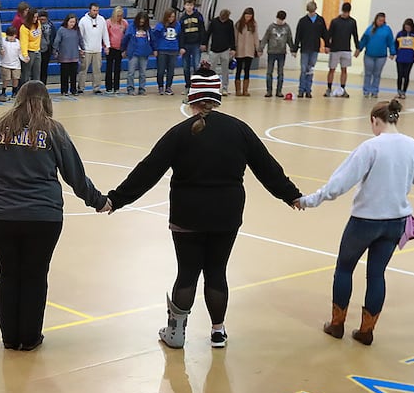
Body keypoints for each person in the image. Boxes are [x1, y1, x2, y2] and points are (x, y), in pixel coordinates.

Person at [106, 65, 300, 349]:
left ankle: (176, 334)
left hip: (188, 215)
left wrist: (116, 199)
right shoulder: (239, 130)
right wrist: (290, 195)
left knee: (187, 273)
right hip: (227, 215)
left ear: (192, 100)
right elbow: (267, 168)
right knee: (217, 272)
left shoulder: (179, 133)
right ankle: (218, 331)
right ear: (218, 97)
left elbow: (148, 170)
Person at [0, 81, 109, 350]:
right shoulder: (54, 132)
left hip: (2, 215)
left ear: (18, 99)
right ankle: (30, 336)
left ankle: (10, 338)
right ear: (46, 102)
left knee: (9, 274)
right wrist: (98, 201)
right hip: (44, 217)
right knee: (35, 275)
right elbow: (75, 175)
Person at [295, 98, 414, 344]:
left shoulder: (371, 147)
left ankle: (337, 325)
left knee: (344, 268)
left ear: (374, 120)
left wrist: (310, 200)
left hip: (365, 221)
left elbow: (340, 183)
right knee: (377, 274)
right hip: (396, 222)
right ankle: (366, 330)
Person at [325, 2, 359, 99]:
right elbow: (329, 34)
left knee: (344, 69)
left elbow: (355, 35)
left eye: (347, 12)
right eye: (344, 12)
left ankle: (342, 88)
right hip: (335, 49)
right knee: (332, 69)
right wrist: (327, 45)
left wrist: (357, 47)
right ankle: (329, 88)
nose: (345, 14)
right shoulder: (335, 21)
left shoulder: (352, 22)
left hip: (346, 49)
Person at [294, 1, 327, 99]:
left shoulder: (320, 20)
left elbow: (324, 33)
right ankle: (301, 90)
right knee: (303, 69)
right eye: (310, 11)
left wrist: (327, 45)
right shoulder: (303, 21)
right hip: (305, 49)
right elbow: (298, 35)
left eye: (313, 11)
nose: (311, 13)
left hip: (314, 48)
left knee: (310, 70)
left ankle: (308, 90)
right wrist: (295, 49)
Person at [358, 11, 394, 99]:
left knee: (377, 74)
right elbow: (364, 40)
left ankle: (374, 91)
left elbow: (391, 41)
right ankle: (366, 90)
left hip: (381, 56)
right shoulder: (370, 29)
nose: (381, 22)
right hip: (369, 55)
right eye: (379, 20)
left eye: (383, 21)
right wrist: (359, 49)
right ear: (376, 20)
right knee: (368, 73)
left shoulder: (387, 29)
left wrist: (392, 52)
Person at [261, 10, 295, 99]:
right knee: (269, 72)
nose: (281, 21)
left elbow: (290, 39)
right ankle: (269, 91)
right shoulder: (271, 27)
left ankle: (279, 91)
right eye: (279, 19)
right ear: (277, 18)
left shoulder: (287, 27)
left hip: (282, 53)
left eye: (282, 20)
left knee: (280, 73)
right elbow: (265, 38)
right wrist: (261, 48)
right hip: (271, 52)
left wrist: (293, 49)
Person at [77, 2, 109, 96]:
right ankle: (81, 88)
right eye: (94, 10)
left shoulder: (102, 19)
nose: (96, 12)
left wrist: (107, 45)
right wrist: (80, 48)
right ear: (90, 10)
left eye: (97, 10)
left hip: (97, 50)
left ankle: (97, 88)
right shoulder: (83, 20)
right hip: (86, 50)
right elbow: (80, 36)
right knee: (83, 70)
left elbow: (105, 33)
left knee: (97, 70)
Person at [51, 15, 82, 97]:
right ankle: (64, 90)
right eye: (71, 22)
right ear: (67, 22)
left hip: (74, 56)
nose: (72, 24)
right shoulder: (61, 30)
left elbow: (80, 40)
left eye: (74, 22)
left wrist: (83, 49)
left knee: (73, 75)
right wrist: (55, 51)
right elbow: (56, 41)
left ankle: (73, 90)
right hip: (64, 56)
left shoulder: (77, 30)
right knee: (64, 75)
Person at [122, 11, 153, 95]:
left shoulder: (148, 29)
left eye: (143, 22)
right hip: (133, 53)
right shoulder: (131, 27)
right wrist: (123, 49)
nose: (141, 23)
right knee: (131, 72)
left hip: (144, 53)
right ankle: (130, 88)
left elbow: (152, 40)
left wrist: (153, 49)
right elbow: (126, 38)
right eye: (140, 21)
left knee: (143, 73)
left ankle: (142, 89)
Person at [178, 0, 206, 87]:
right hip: (186, 45)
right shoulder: (182, 18)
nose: (189, 7)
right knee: (186, 67)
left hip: (196, 45)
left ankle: (196, 85)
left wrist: (203, 43)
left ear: (193, 6)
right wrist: (181, 47)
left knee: (196, 65)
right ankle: (188, 85)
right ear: (184, 6)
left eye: (191, 5)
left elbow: (202, 30)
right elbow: (181, 33)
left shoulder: (198, 16)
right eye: (187, 5)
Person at [207, 8, 236, 91]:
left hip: (225, 49)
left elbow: (232, 36)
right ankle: (211, 86)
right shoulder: (214, 22)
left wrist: (233, 48)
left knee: (225, 70)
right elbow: (208, 33)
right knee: (212, 69)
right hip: (214, 49)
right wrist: (204, 43)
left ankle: (224, 87)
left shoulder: (230, 23)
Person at [233, 7, 258, 97]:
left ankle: (245, 90)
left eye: (250, 16)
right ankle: (238, 90)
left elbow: (255, 37)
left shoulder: (254, 25)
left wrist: (257, 48)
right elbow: (235, 37)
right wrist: (234, 48)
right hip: (240, 50)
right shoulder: (238, 24)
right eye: (246, 16)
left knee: (247, 70)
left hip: (249, 50)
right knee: (238, 70)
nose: (248, 18)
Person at [17, 7, 44, 94]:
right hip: (29, 52)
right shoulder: (24, 28)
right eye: (34, 17)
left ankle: (36, 92)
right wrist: (25, 55)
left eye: (36, 17)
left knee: (37, 74)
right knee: (26, 74)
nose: (35, 19)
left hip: (37, 51)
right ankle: (24, 92)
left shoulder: (38, 24)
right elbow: (23, 42)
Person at [393, 18, 414, 100]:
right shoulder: (400, 34)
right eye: (406, 27)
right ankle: (399, 91)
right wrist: (394, 53)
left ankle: (404, 92)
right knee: (400, 75)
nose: (407, 28)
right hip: (400, 58)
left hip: (409, 58)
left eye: (408, 27)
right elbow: (395, 44)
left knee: (406, 75)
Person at [154, 8, 180, 96]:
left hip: (173, 50)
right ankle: (160, 86)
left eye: (173, 17)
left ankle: (168, 87)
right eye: (170, 17)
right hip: (162, 50)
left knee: (171, 71)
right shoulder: (160, 25)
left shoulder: (177, 25)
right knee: (161, 70)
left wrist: (179, 48)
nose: (171, 18)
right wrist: (155, 49)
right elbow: (155, 38)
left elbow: (180, 36)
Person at [104, 6, 128, 94]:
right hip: (111, 48)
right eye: (118, 15)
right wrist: (105, 46)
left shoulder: (124, 23)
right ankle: (108, 87)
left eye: (121, 15)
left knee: (118, 68)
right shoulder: (108, 22)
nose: (119, 17)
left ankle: (116, 87)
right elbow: (105, 35)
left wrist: (125, 49)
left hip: (120, 48)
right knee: (109, 68)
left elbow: (126, 36)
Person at [0, 26, 21, 96]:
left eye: (13, 36)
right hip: (5, 64)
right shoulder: (2, 41)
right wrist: (0, 51)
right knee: (6, 79)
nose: (11, 38)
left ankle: (14, 91)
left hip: (16, 64)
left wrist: (24, 58)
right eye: (9, 36)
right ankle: (3, 91)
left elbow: (20, 52)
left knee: (16, 78)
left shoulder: (18, 42)